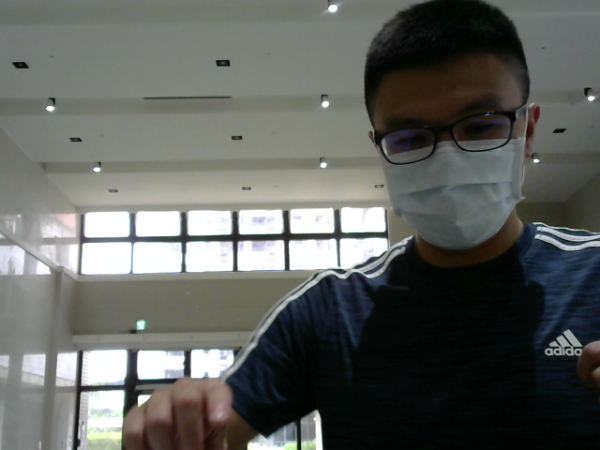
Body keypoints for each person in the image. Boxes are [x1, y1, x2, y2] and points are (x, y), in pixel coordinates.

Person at [124, 0, 600, 448]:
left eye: (481, 125)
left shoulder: (594, 274)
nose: (448, 158)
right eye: (410, 137)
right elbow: (213, 429)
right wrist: (173, 426)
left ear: (528, 129)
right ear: (380, 149)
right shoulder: (329, 311)